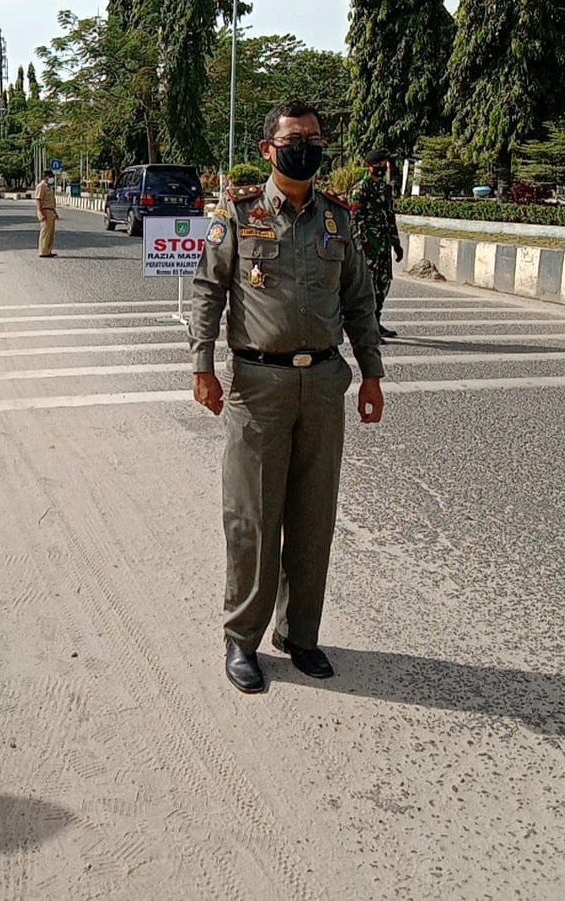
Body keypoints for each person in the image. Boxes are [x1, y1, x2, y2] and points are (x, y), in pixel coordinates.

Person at [189, 99, 385, 694]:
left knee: (312, 518)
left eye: (314, 139)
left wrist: (372, 373)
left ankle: (299, 635)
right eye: (294, 139)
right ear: (268, 149)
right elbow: (208, 290)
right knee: (252, 518)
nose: (306, 148)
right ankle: (241, 639)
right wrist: (202, 365)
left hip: (323, 385)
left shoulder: (338, 220)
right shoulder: (239, 213)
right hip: (257, 386)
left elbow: (359, 301)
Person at [349, 147, 404, 341]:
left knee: (383, 284)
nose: (382, 168)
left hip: (383, 246)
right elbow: (354, 220)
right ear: (369, 166)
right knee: (369, 288)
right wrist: (360, 246)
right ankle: (369, 328)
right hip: (368, 247)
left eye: (384, 164)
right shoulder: (360, 190)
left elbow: (390, 217)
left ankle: (377, 323)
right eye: (378, 165)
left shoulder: (385, 189)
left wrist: (396, 243)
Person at [35, 168, 59, 257]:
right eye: (50, 177)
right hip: (45, 210)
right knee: (45, 232)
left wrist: (55, 213)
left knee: (50, 233)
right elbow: (38, 200)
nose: (52, 179)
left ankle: (48, 251)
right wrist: (40, 212)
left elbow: (52, 201)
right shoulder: (41, 186)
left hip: (51, 211)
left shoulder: (49, 187)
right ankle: (43, 251)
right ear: (46, 177)